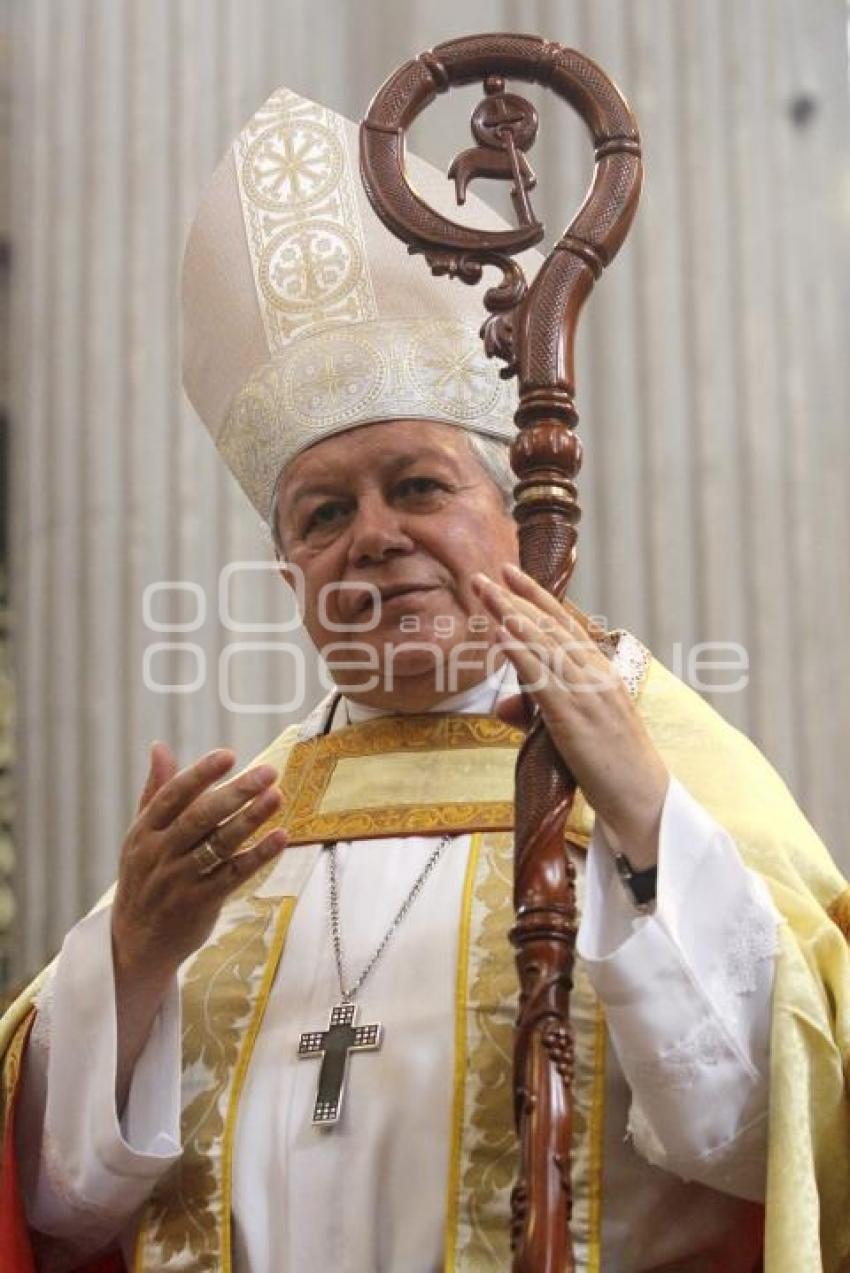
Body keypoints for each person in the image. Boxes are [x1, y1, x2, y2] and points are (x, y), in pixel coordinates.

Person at [2, 84, 850, 1273]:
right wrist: (133, 961)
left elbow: (770, 1137)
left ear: (514, 516)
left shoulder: (650, 760)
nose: (375, 535)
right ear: (290, 568)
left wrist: (648, 821)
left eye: (418, 486)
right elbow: (56, 1204)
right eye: (323, 513)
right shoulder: (235, 824)